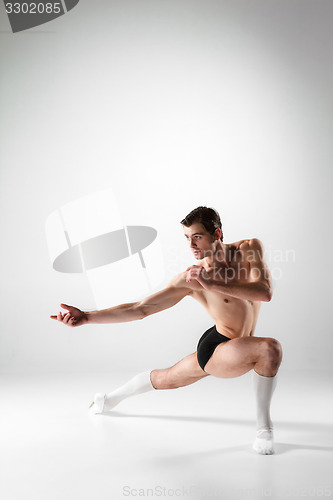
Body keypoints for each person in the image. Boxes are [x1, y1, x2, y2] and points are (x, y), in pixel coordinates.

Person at [50, 206, 282, 455]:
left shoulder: (249, 248)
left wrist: (212, 283)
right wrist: (87, 317)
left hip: (235, 346)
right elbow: (140, 308)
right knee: (269, 349)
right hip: (217, 346)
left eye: (197, 237)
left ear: (217, 234)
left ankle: (106, 400)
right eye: (187, 238)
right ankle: (264, 429)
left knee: (165, 378)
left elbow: (264, 292)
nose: (191, 245)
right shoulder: (191, 278)